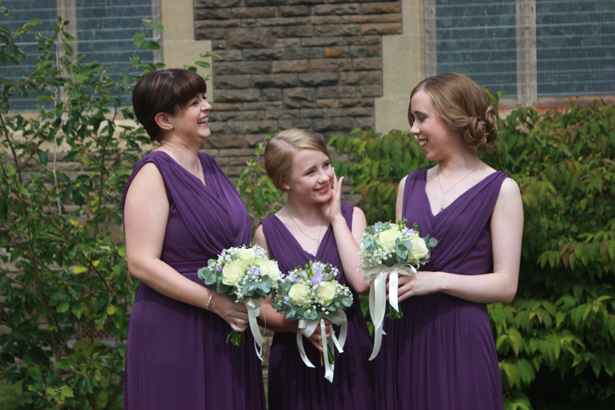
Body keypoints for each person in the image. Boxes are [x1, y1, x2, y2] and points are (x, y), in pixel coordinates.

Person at [374, 72, 524, 409]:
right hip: (405, 336)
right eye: (412, 119)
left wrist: (438, 280)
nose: (413, 129)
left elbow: (506, 286)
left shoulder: (502, 189)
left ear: (454, 118)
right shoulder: (407, 185)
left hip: (461, 338)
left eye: (421, 118)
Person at [122, 69, 265, 409]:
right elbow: (141, 263)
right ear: (164, 119)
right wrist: (214, 302)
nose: (208, 106)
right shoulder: (152, 174)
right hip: (176, 325)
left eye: (204, 98)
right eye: (194, 102)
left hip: (227, 324)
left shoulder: (211, 167)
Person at [253, 129, 375, 410]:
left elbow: (360, 282)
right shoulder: (266, 234)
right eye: (310, 172)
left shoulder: (352, 217)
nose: (324, 177)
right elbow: (260, 306)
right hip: (295, 364)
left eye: (326, 164)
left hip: (351, 354)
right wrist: (300, 324)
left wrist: (335, 219)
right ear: (285, 182)